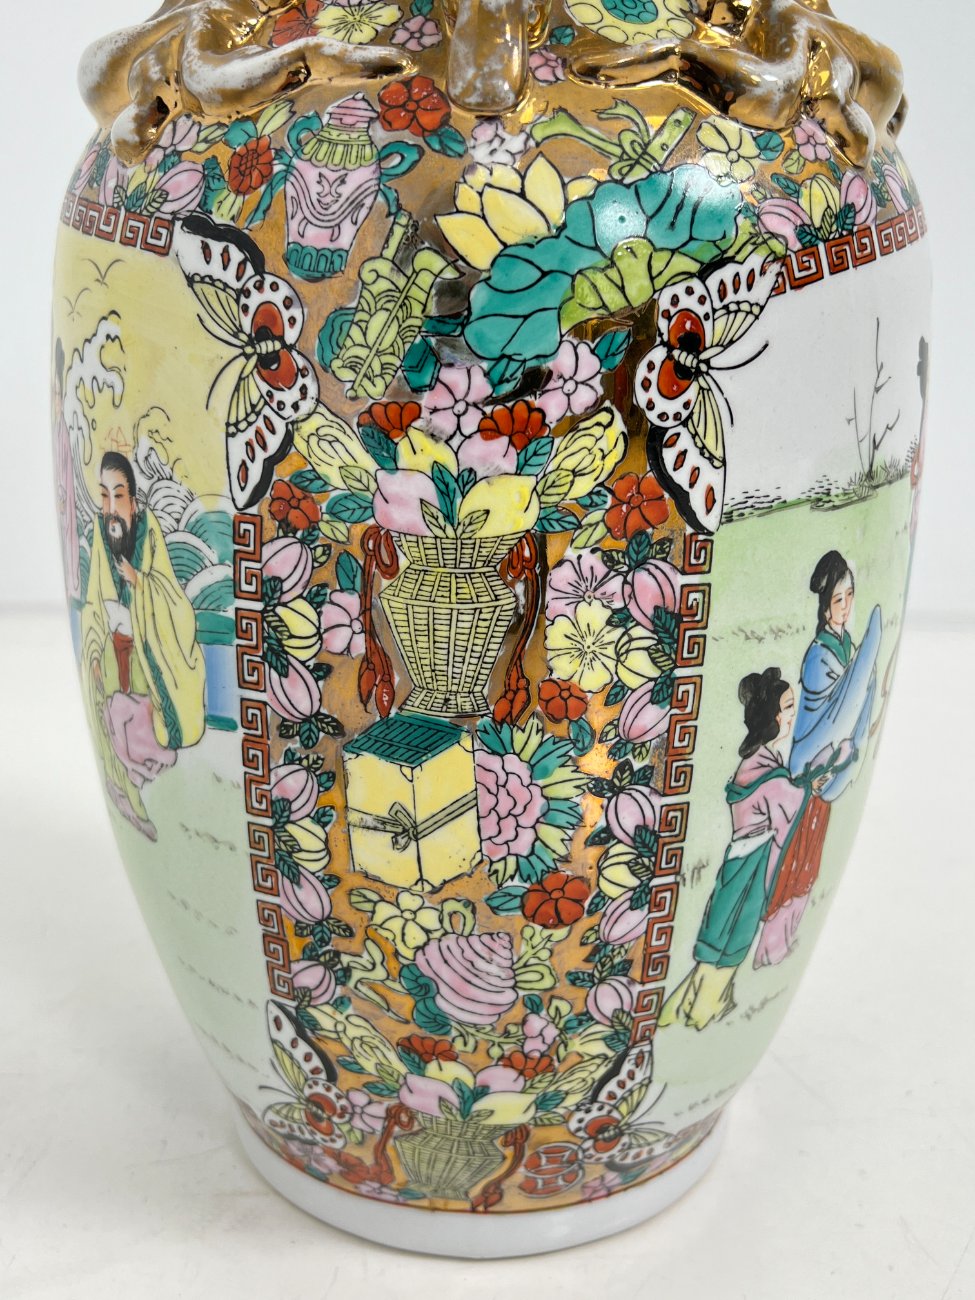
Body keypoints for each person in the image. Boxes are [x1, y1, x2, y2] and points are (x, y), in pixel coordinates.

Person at [659, 668, 823, 1030]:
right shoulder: (765, 771)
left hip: (739, 861)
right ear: (773, 718)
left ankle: (691, 1007)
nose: (793, 714)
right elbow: (788, 802)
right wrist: (810, 788)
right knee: (732, 936)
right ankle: (700, 1010)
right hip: (752, 866)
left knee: (720, 936)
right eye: (788, 707)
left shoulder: (763, 763)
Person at [753, 551, 881, 967]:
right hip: (809, 780)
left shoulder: (848, 648)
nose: (846, 606)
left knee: (808, 867)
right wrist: (828, 760)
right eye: (838, 599)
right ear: (825, 607)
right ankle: (769, 948)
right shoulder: (818, 656)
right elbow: (823, 722)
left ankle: (781, 948)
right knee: (790, 867)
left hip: (828, 779)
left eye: (850, 595)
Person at [81, 452, 206, 838]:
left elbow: (174, 599)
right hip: (112, 646)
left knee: (140, 725)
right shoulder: (101, 533)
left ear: (133, 501)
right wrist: (94, 649)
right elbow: (92, 596)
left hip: (146, 652)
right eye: (104, 496)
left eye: (118, 496)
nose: (111, 507)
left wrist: (139, 582)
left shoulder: (148, 531)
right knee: (111, 718)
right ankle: (131, 803)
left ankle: (142, 792)